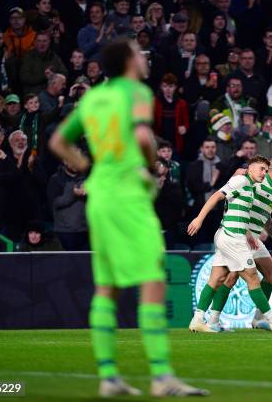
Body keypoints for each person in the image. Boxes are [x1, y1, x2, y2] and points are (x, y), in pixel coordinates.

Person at [49, 38, 207, 397]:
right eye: (139, 52)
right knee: (152, 278)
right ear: (129, 62)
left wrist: (88, 166)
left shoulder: (93, 97)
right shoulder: (134, 92)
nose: (144, 57)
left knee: (107, 287)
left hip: (100, 198)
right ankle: (162, 376)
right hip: (127, 195)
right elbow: (141, 136)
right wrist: (151, 164)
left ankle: (108, 376)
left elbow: (58, 141)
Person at [187, 155, 272, 333]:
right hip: (238, 236)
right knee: (233, 278)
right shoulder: (253, 181)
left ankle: (258, 319)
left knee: (271, 274)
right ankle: (265, 318)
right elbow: (230, 198)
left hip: (250, 238)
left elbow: (265, 215)